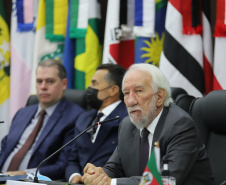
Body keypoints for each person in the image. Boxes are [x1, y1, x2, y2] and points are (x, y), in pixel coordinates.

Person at [82, 63, 215, 185]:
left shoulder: (180, 125)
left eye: (138, 91)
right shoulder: (127, 125)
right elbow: (114, 167)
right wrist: (99, 175)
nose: (130, 101)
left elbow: (165, 180)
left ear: (159, 97)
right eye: (126, 93)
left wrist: (111, 182)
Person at [0, 59, 84, 180]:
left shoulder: (75, 117)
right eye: (39, 81)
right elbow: (5, 148)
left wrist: (24, 174)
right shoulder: (22, 113)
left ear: (64, 84)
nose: (43, 87)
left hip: (30, 181)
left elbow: (63, 165)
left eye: (50, 81)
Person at [65, 64, 128, 183]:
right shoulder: (83, 118)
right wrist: (74, 175)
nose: (89, 88)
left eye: (94, 84)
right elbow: (72, 159)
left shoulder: (127, 120)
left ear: (113, 90)